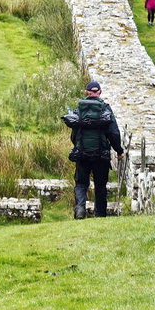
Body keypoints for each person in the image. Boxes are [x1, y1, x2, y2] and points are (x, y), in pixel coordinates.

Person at [61, 80, 124, 219]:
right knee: (100, 186)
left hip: (82, 154)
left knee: (81, 184)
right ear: (99, 92)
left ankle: (80, 210)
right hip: (101, 155)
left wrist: (78, 145)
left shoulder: (79, 110)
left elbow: (74, 135)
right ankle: (100, 215)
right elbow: (113, 133)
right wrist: (119, 151)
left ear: (87, 92)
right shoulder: (105, 109)